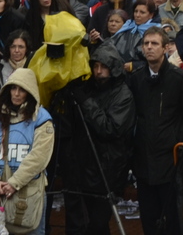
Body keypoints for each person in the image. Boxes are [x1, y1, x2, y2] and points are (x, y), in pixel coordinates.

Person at [52, 44, 136, 235]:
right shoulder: (88, 88)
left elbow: (109, 128)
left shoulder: (123, 95)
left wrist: (86, 102)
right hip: (83, 166)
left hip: (108, 169)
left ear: (113, 68)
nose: (98, 72)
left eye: (103, 67)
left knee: (98, 223)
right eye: (95, 66)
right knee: (83, 222)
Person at [129, 26, 183, 235]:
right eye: (146, 44)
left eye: (154, 43)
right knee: (149, 218)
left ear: (166, 47)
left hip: (171, 162)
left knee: (174, 220)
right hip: (144, 162)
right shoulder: (136, 78)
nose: (149, 48)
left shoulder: (180, 79)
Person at [0, 67, 54, 234]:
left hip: (30, 192)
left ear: (30, 92)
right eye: (13, 88)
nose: (16, 94)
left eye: (22, 90)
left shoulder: (41, 119)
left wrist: (14, 183)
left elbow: (39, 157)